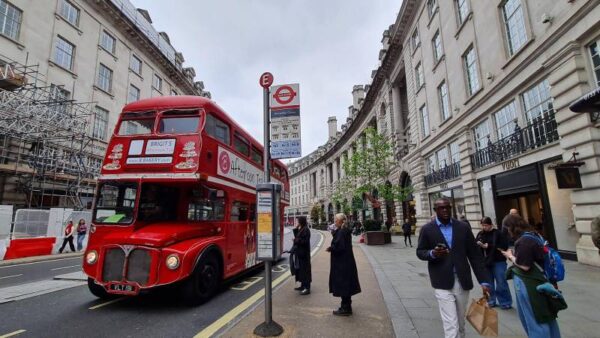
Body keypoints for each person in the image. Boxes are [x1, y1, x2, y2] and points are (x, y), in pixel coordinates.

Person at [416, 198, 491, 338]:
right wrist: (432, 253)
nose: (445, 210)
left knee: (460, 320)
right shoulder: (427, 229)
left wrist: (484, 281)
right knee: (450, 322)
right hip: (441, 280)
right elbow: (420, 252)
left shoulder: (463, 227)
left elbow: (475, 256)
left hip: (462, 279)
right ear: (435, 210)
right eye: (441, 208)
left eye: (447, 207)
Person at [500, 214, 561, 338]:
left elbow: (524, 266)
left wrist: (510, 256)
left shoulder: (523, 241)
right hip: (541, 281)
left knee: (534, 319)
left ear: (512, 227)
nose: (507, 231)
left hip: (530, 284)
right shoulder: (534, 235)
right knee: (547, 317)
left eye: (507, 228)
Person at [327, 213, 361, 316]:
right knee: (346, 285)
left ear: (341, 221)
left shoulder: (342, 232)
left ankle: (345, 308)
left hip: (342, 264)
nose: (334, 222)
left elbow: (340, 247)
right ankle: (346, 306)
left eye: (336, 220)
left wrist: (331, 248)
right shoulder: (344, 231)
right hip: (347, 262)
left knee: (343, 284)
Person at [475, 217, 512, 309]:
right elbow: (475, 246)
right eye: (483, 225)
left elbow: (504, 246)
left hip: (498, 261)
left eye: (486, 225)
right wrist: (480, 246)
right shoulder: (480, 234)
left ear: (491, 225)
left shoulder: (498, 233)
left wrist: (489, 246)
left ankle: (505, 301)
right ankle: (491, 301)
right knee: (488, 283)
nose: (484, 227)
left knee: (501, 282)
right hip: (486, 262)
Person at [292, 216, 312, 295]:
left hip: (304, 254)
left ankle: (307, 288)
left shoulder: (306, 230)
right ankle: (303, 285)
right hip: (300, 253)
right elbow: (297, 236)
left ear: (302, 221)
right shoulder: (302, 228)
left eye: (298, 221)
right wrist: (296, 228)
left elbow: (304, 241)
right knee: (301, 271)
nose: (297, 222)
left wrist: (296, 240)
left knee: (305, 270)